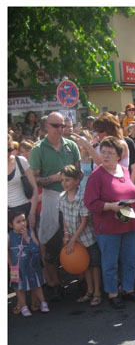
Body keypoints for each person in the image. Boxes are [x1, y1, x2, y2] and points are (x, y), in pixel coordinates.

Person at [84, 136, 135, 309]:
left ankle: (128, 289)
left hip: (128, 222)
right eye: (103, 152)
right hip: (108, 226)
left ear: (119, 155)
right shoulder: (97, 176)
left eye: (110, 152)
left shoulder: (124, 170)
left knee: (129, 259)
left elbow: (130, 190)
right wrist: (111, 206)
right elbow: (90, 203)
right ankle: (112, 293)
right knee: (110, 262)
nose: (105, 156)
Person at [29, 111, 81, 300]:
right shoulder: (38, 150)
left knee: (78, 236)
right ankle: (54, 283)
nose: (61, 129)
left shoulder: (71, 145)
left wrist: (72, 181)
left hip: (71, 195)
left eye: (63, 126)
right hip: (51, 196)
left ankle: (81, 279)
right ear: (46, 127)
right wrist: (54, 178)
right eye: (56, 126)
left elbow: (78, 170)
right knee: (51, 241)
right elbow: (33, 179)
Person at [59, 165, 102, 306]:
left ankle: (97, 293)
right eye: (62, 180)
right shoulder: (62, 198)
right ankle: (89, 291)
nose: (64, 183)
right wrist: (66, 233)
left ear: (77, 181)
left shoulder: (83, 197)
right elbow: (64, 217)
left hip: (87, 238)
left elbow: (84, 221)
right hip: (74, 239)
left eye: (67, 180)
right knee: (85, 266)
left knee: (94, 265)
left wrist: (72, 239)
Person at [72, 112, 135, 185]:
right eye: (96, 130)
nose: (98, 133)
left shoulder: (121, 144)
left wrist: (87, 145)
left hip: (116, 185)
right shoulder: (98, 145)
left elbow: (102, 162)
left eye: (100, 130)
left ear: (110, 129)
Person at [8, 211, 49, 316]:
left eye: (23, 220)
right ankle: (24, 306)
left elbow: (36, 245)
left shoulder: (30, 232)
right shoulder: (9, 236)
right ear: (11, 225)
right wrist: (10, 265)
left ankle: (43, 302)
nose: (22, 223)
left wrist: (27, 238)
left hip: (31, 264)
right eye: (18, 222)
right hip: (16, 267)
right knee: (18, 286)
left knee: (37, 284)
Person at [8, 134, 38, 229]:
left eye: (10, 150)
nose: (8, 153)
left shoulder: (21, 161)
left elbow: (35, 189)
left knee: (26, 241)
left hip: (23, 210)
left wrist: (32, 213)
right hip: (7, 212)